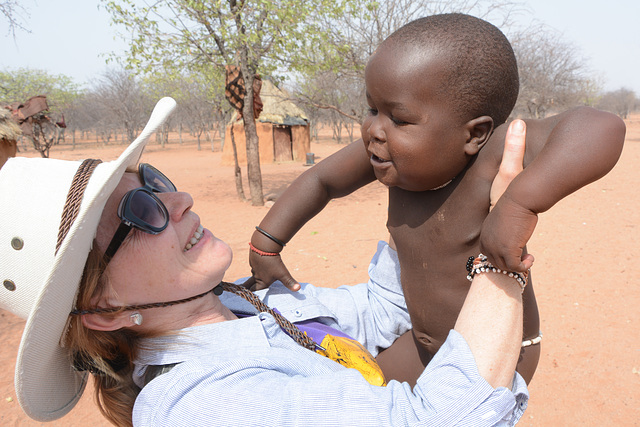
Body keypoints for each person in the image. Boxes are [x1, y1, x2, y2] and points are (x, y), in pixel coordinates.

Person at [0, 97, 536, 426]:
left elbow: (377, 313)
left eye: (155, 183)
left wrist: (417, 184)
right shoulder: (199, 406)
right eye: (140, 210)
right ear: (105, 309)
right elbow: (445, 421)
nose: (179, 201)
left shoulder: (243, 301)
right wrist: (499, 260)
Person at [245, 13, 626, 386]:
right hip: (421, 342)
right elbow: (322, 179)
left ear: (473, 134)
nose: (374, 130)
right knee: (364, 397)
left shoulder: (492, 154)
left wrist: (518, 204)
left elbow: (601, 128)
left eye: (400, 119)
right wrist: (266, 243)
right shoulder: (393, 156)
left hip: (497, 354)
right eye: (373, 109)